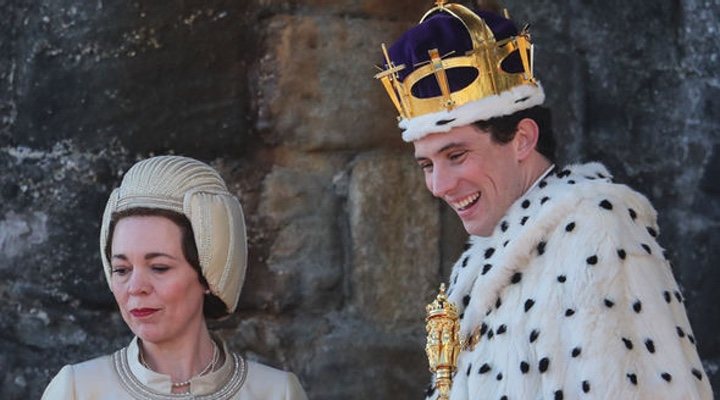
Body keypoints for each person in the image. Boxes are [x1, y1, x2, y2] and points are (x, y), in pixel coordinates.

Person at [374, 1, 713, 399]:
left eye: (456, 155)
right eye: (426, 165)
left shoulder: (595, 235)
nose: (439, 185)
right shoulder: (481, 259)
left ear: (522, 140)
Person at [42, 155, 308, 399]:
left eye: (159, 267)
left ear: (206, 273)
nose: (135, 288)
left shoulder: (276, 393)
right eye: (122, 270)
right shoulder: (76, 390)